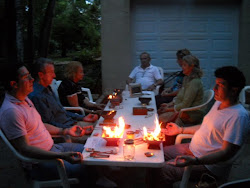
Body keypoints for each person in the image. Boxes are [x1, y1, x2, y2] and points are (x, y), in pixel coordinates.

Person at [0, 63, 95, 187]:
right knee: (86, 165)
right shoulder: (11, 112)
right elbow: (25, 149)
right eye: (26, 77)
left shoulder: (24, 99)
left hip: (55, 149)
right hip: (42, 163)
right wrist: (62, 156)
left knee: (93, 152)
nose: (32, 79)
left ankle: (99, 178)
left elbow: (41, 125)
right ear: (14, 84)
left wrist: (66, 131)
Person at [153, 66, 249, 187]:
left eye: (220, 85)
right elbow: (204, 127)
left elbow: (226, 153)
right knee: (155, 154)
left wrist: (195, 161)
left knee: (162, 170)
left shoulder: (238, 116)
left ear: (234, 90)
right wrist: (180, 129)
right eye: (216, 84)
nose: (214, 89)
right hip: (192, 149)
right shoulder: (219, 103)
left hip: (206, 164)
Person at [29, 58, 96, 130]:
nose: (54, 75)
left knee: (101, 125)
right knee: (99, 131)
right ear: (41, 75)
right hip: (64, 130)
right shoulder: (37, 96)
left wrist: (83, 118)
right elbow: (49, 124)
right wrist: (70, 129)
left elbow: (61, 111)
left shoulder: (47, 89)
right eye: (51, 72)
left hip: (71, 123)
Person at [158, 54, 204, 126]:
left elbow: (186, 104)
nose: (182, 67)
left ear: (191, 67)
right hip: (181, 109)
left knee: (159, 118)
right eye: (182, 65)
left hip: (190, 113)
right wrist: (168, 104)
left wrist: (168, 109)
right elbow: (179, 97)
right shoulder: (186, 78)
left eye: (184, 65)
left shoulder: (194, 82)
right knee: (158, 112)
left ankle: (170, 135)